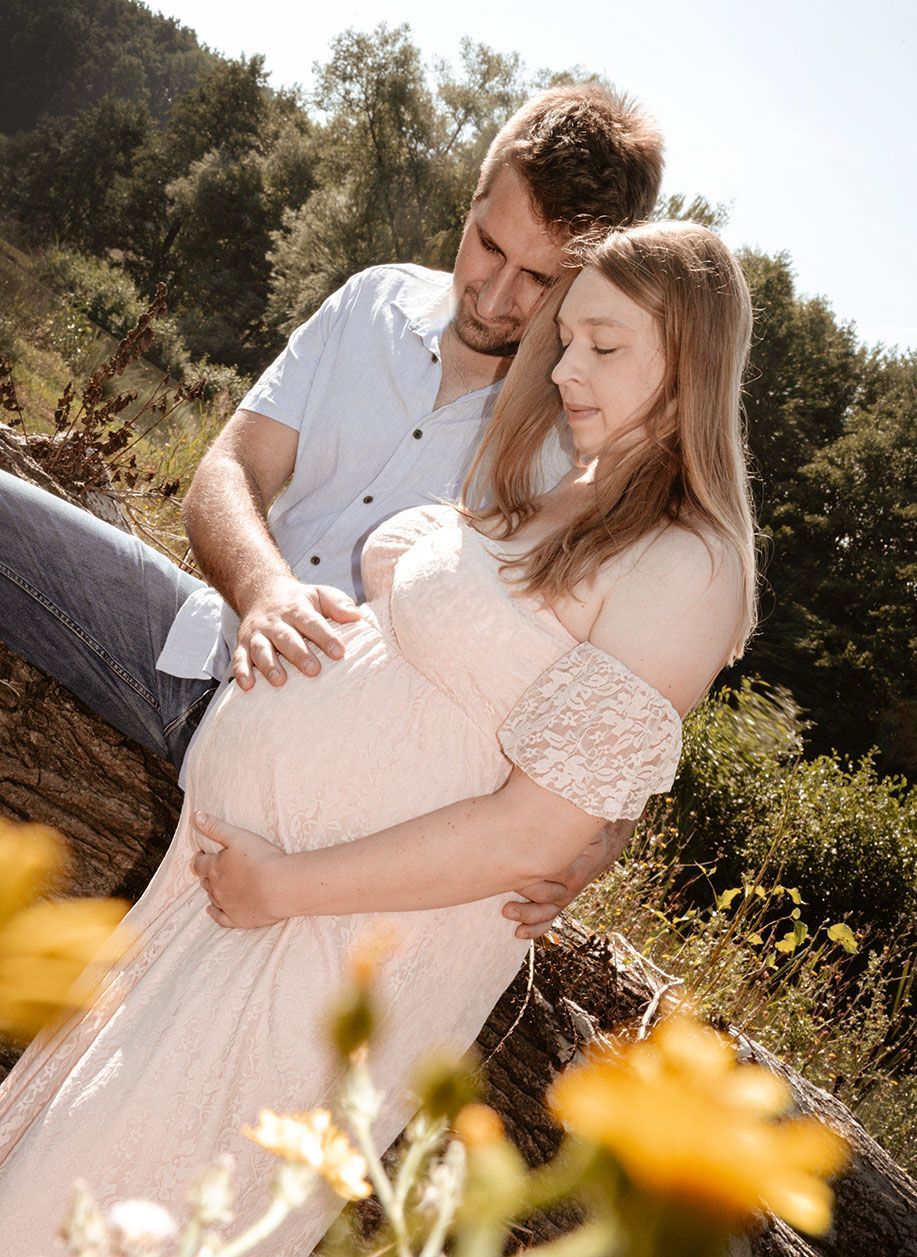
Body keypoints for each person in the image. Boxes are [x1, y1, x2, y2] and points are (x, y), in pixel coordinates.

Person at [0, 220, 758, 1256]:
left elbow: (534, 835)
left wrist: (286, 885)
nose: (570, 366)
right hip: (237, 899)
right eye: (568, 339)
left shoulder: (691, 565)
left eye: (606, 345)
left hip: (327, 937)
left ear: (691, 363)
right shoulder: (568, 489)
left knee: (97, 1213)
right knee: (63, 1178)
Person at [0, 84, 665, 942]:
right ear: (470, 201)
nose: (494, 297)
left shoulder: (584, 441)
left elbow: (633, 681)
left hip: (323, 780)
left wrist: (600, 836)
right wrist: (265, 593)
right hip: (200, 646)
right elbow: (231, 469)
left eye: (539, 279)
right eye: (486, 244)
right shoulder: (370, 302)